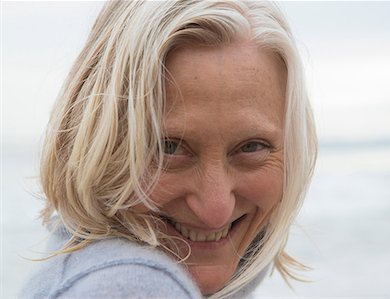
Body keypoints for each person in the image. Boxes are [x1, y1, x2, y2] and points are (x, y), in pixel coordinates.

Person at [21, 0, 317, 298]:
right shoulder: (133, 288)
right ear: (98, 142)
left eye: (251, 147)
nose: (215, 210)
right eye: (169, 148)